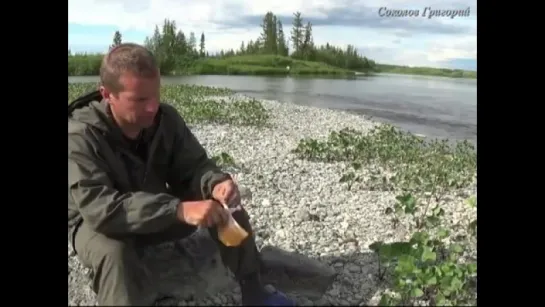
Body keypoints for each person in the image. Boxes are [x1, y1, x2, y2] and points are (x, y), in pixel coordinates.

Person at [68, 43, 295, 306]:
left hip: (153, 208)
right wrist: (178, 210)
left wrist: (216, 183)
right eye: (140, 99)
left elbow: (196, 166)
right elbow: (100, 209)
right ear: (107, 94)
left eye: (156, 95)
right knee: (114, 254)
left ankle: (254, 291)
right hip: (98, 223)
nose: (152, 107)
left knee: (226, 205)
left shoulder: (166, 119)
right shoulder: (79, 136)